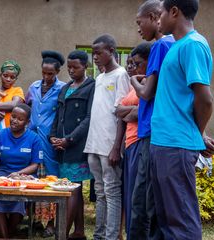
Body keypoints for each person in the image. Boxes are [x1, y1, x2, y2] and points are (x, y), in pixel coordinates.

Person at [150, 0, 214, 239]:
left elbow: (205, 100)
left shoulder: (193, 45)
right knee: (165, 221)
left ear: (175, 12)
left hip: (175, 146)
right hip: (164, 143)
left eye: (161, 14)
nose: (158, 20)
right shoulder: (177, 47)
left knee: (181, 224)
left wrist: (197, 134)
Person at [129, 1, 175, 239]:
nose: (139, 29)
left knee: (143, 201)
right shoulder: (174, 45)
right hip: (157, 131)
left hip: (150, 132)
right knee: (150, 198)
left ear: (155, 17)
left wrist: (135, 81)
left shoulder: (160, 46)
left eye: (140, 22)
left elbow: (148, 92)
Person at [84, 34, 130, 240]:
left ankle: (112, 236)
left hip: (110, 145)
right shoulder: (100, 77)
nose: (94, 57)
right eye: (93, 53)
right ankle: (99, 235)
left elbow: (122, 114)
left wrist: (116, 147)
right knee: (100, 192)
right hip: (94, 143)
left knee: (112, 192)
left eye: (98, 52)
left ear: (111, 51)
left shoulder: (121, 75)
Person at [50, 50, 96, 240]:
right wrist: (53, 136)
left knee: (72, 189)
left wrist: (69, 139)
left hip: (77, 146)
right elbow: (58, 115)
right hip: (61, 146)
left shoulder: (92, 86)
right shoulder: (65, 87)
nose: (71, 70)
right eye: (68, 67)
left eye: (75, 67)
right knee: (74, 187)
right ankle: (79, 232)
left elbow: (88, 117)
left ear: (85, 66)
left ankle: (62, 232)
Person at [26, 50, 66, 237]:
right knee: (32, 178)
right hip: (33, 139)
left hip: (50, 141)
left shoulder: (63, 89)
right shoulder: (33, 87)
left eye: (50, 74)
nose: (46, 77)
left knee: (51, 179)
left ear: (57, 72)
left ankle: (51, 222)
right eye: (44, 72)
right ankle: (33, 221)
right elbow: (27, 107)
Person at [0, 104, 43, 239]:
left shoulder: (34, 138)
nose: (14, 120)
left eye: (20, 119)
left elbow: (35, 165)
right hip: (3, 172)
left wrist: (19, 174)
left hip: (26, 174)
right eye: (13, 116)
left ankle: (10, 232)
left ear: (27, 122)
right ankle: (5, 236)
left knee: (20, 193)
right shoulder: (0, 135)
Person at [116, 42, 151, 239]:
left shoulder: (148, 84)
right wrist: (129, 112)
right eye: (129, 64)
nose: (132, 68)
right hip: (129, 145)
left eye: (136, 64)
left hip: (140, 141)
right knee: (130, 196)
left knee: (139, 199)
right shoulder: (134, 86)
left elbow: (141, 112)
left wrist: (127, 112)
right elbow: (119, 111)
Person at [0, 60, 25, 129]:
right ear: (1, 75)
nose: (8, 79)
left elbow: (14, 104)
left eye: (12, 77)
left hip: (9, 132)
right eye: (5, 76)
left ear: (16, 79)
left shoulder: (17, 90)